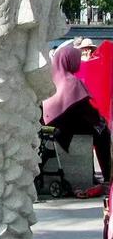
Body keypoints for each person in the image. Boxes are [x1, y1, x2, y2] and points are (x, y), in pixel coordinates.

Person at [42, 45, 111, 185]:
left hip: (49, 124)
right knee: (102, 131)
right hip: (64, 128)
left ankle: (95, 174)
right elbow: (86, 109)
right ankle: (108, 175)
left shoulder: (49, 79)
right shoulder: (71, 81)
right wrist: (101, 120)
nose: (78, 62)